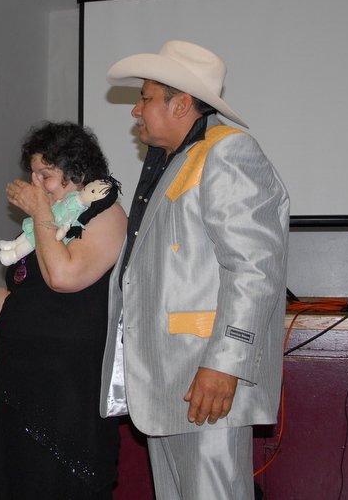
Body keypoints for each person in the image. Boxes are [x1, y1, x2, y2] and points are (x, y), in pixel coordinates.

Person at [99, 40, 290, 499]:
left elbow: (255, 269)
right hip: (168, 380)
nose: (136, 111)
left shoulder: (228, 151)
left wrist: (225, 364)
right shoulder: (175, 160)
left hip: (205, 377)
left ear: (181, 104)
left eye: (145, 98)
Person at [0, 121, 127, 499]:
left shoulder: (105, 215)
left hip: (71, 391)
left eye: (45, 175)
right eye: (32, 174)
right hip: (23, 383)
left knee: (61, 487)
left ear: (77, 173)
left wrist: (41, 214)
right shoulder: (41, 227)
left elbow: (63, 277)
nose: (35, 184)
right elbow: (18, 306)